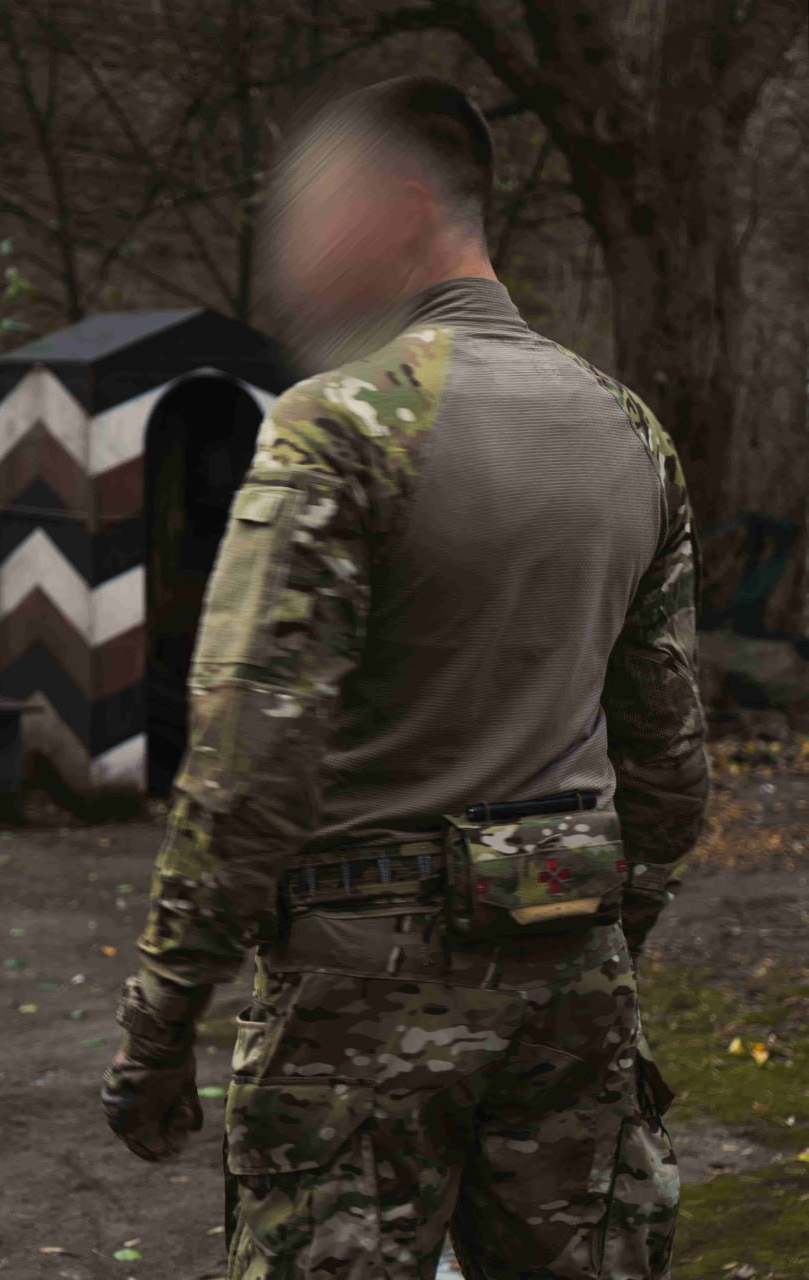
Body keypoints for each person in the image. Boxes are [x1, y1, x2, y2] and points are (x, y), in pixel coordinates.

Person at [101, 75, 710, 1279]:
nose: (301, 252)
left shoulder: (339, 426)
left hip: (356, 1003)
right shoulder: (629, 431)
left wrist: (161, 1019)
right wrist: (595, 939)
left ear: (401, 205)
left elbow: (247, 768)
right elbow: (668, 766)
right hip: (571, 970)